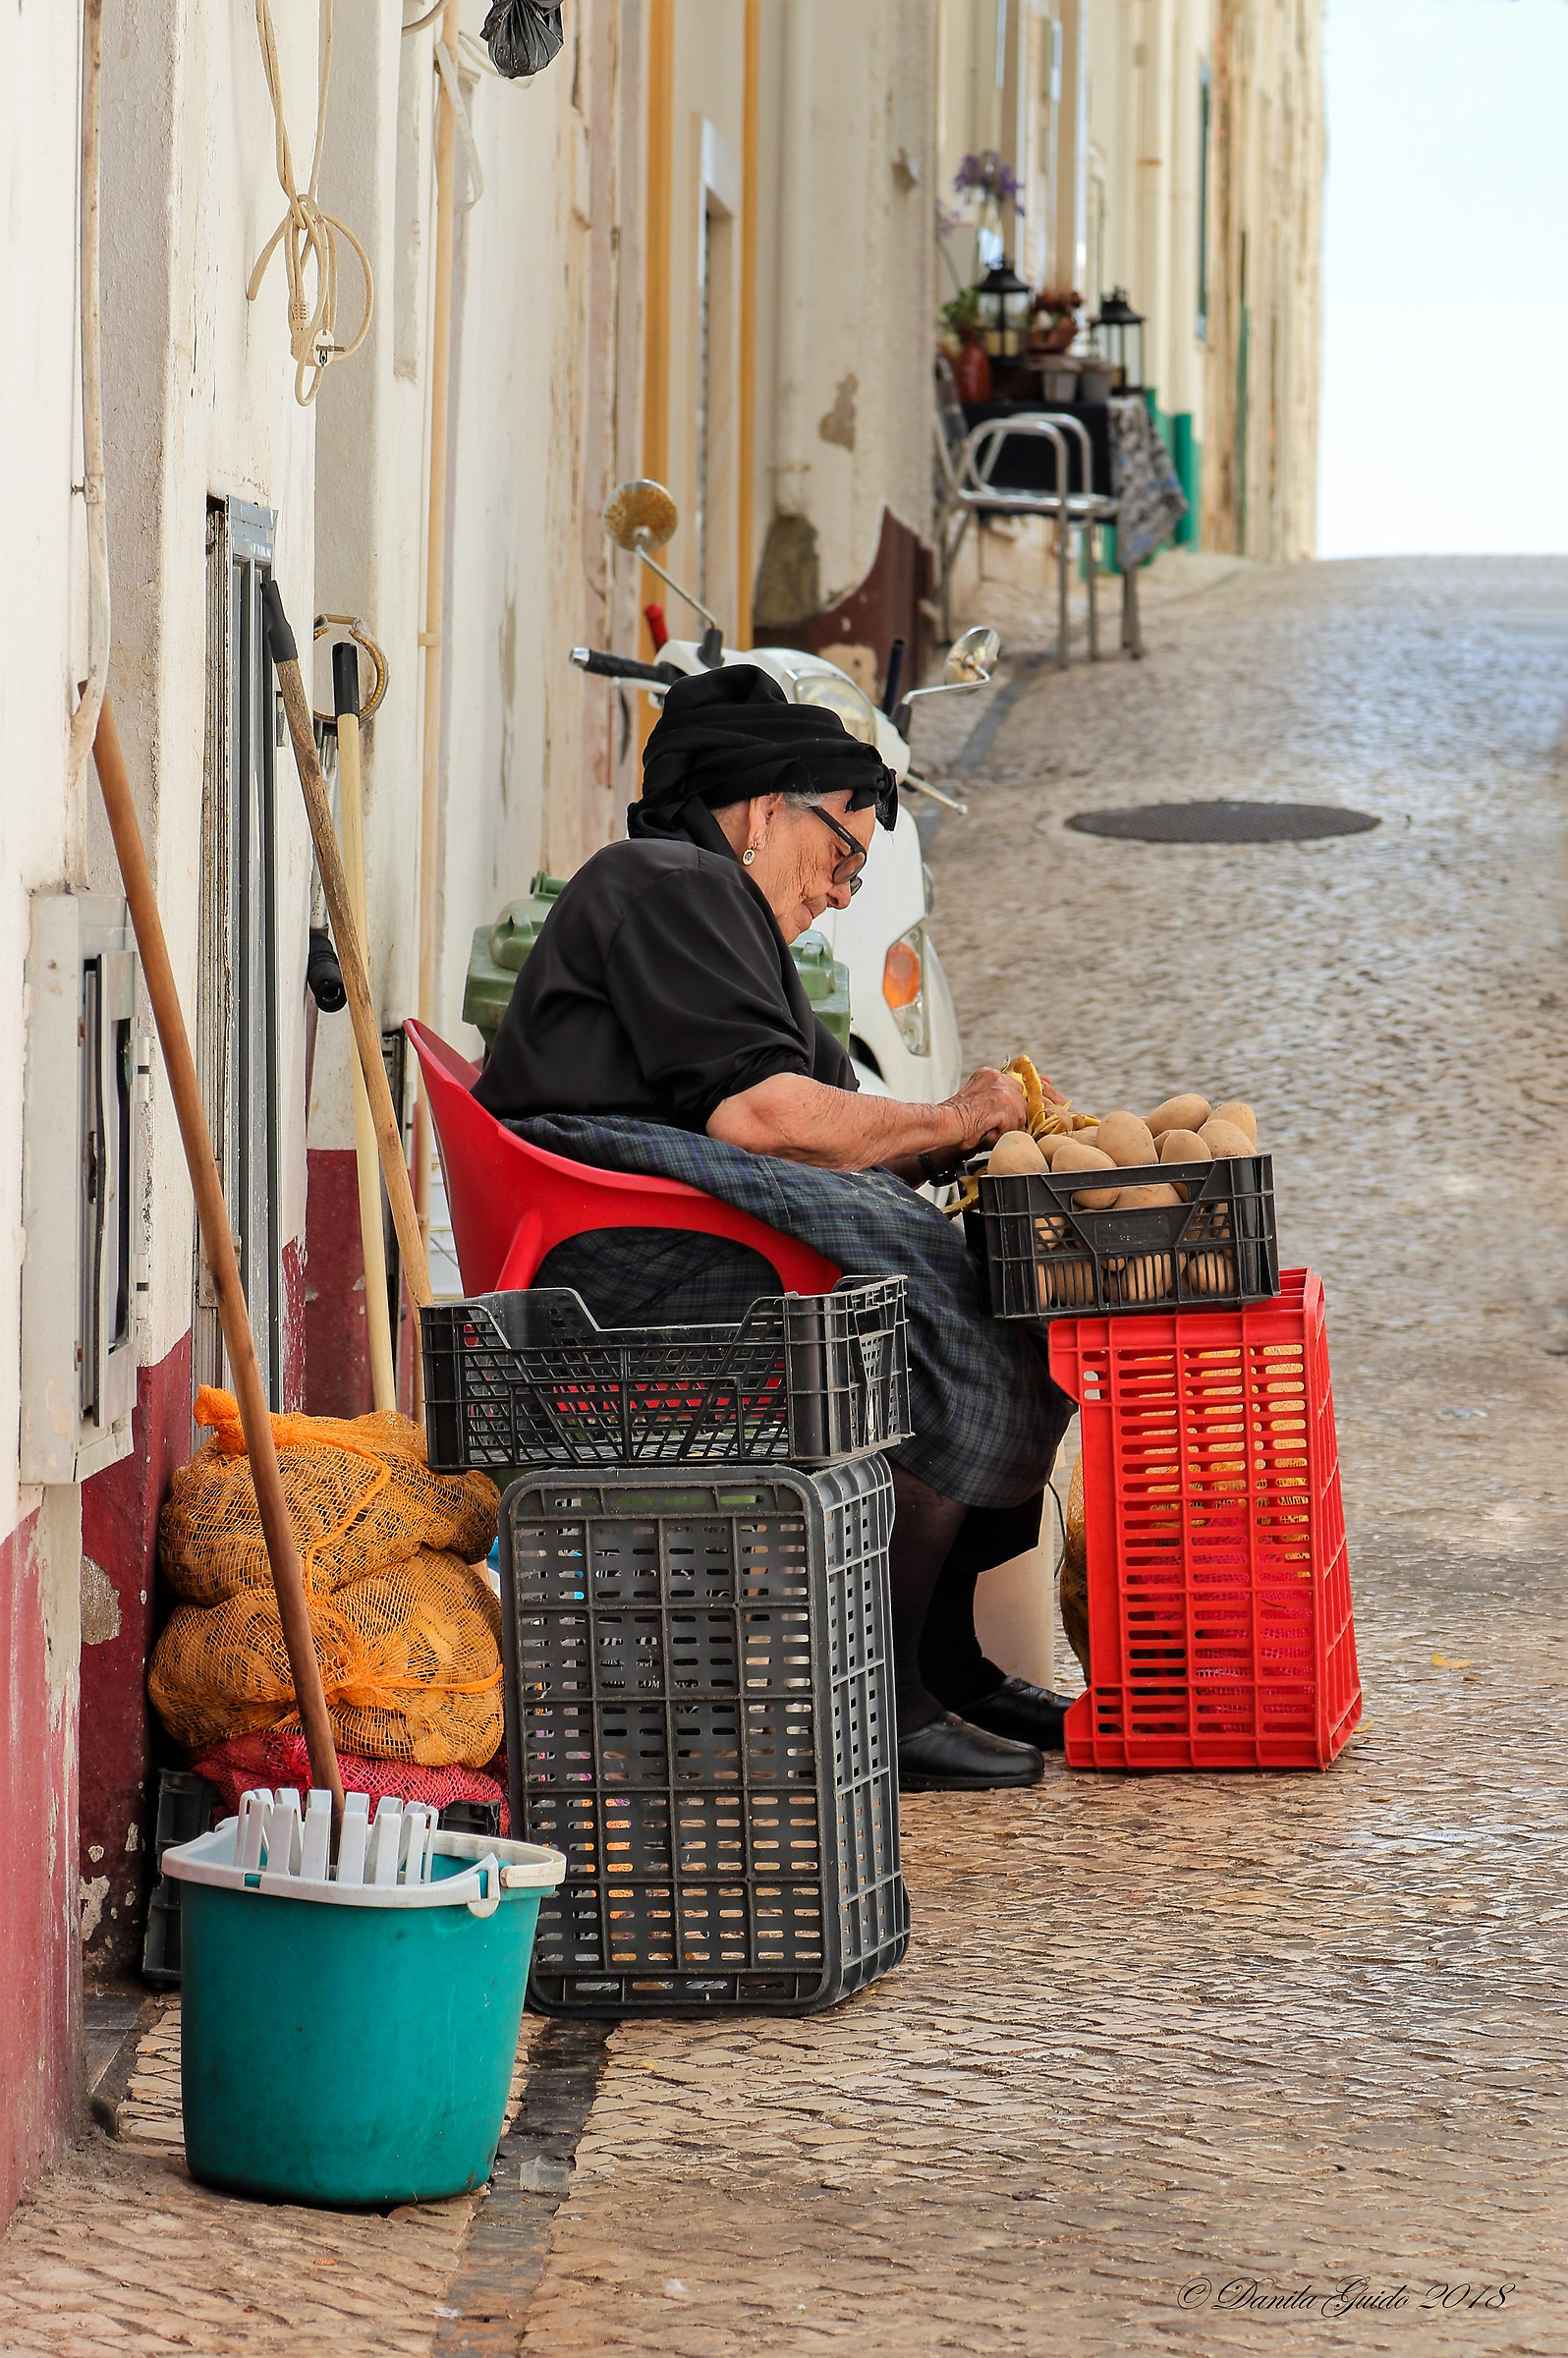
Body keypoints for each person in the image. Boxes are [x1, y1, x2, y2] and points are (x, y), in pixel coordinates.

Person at [476, 665, 1076, 1790]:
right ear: (761, 807)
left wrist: (931, 1140)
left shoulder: (707, 902)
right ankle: (893, 1698)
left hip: (661, 1239)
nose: (846, 891)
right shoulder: (667, 888)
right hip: (618, 1270)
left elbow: (810, 1098)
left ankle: (939, 1665)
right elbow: (760, 1114)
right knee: (916, 1326)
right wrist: (944, 1114)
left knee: (959, 1290)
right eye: (843, 853)